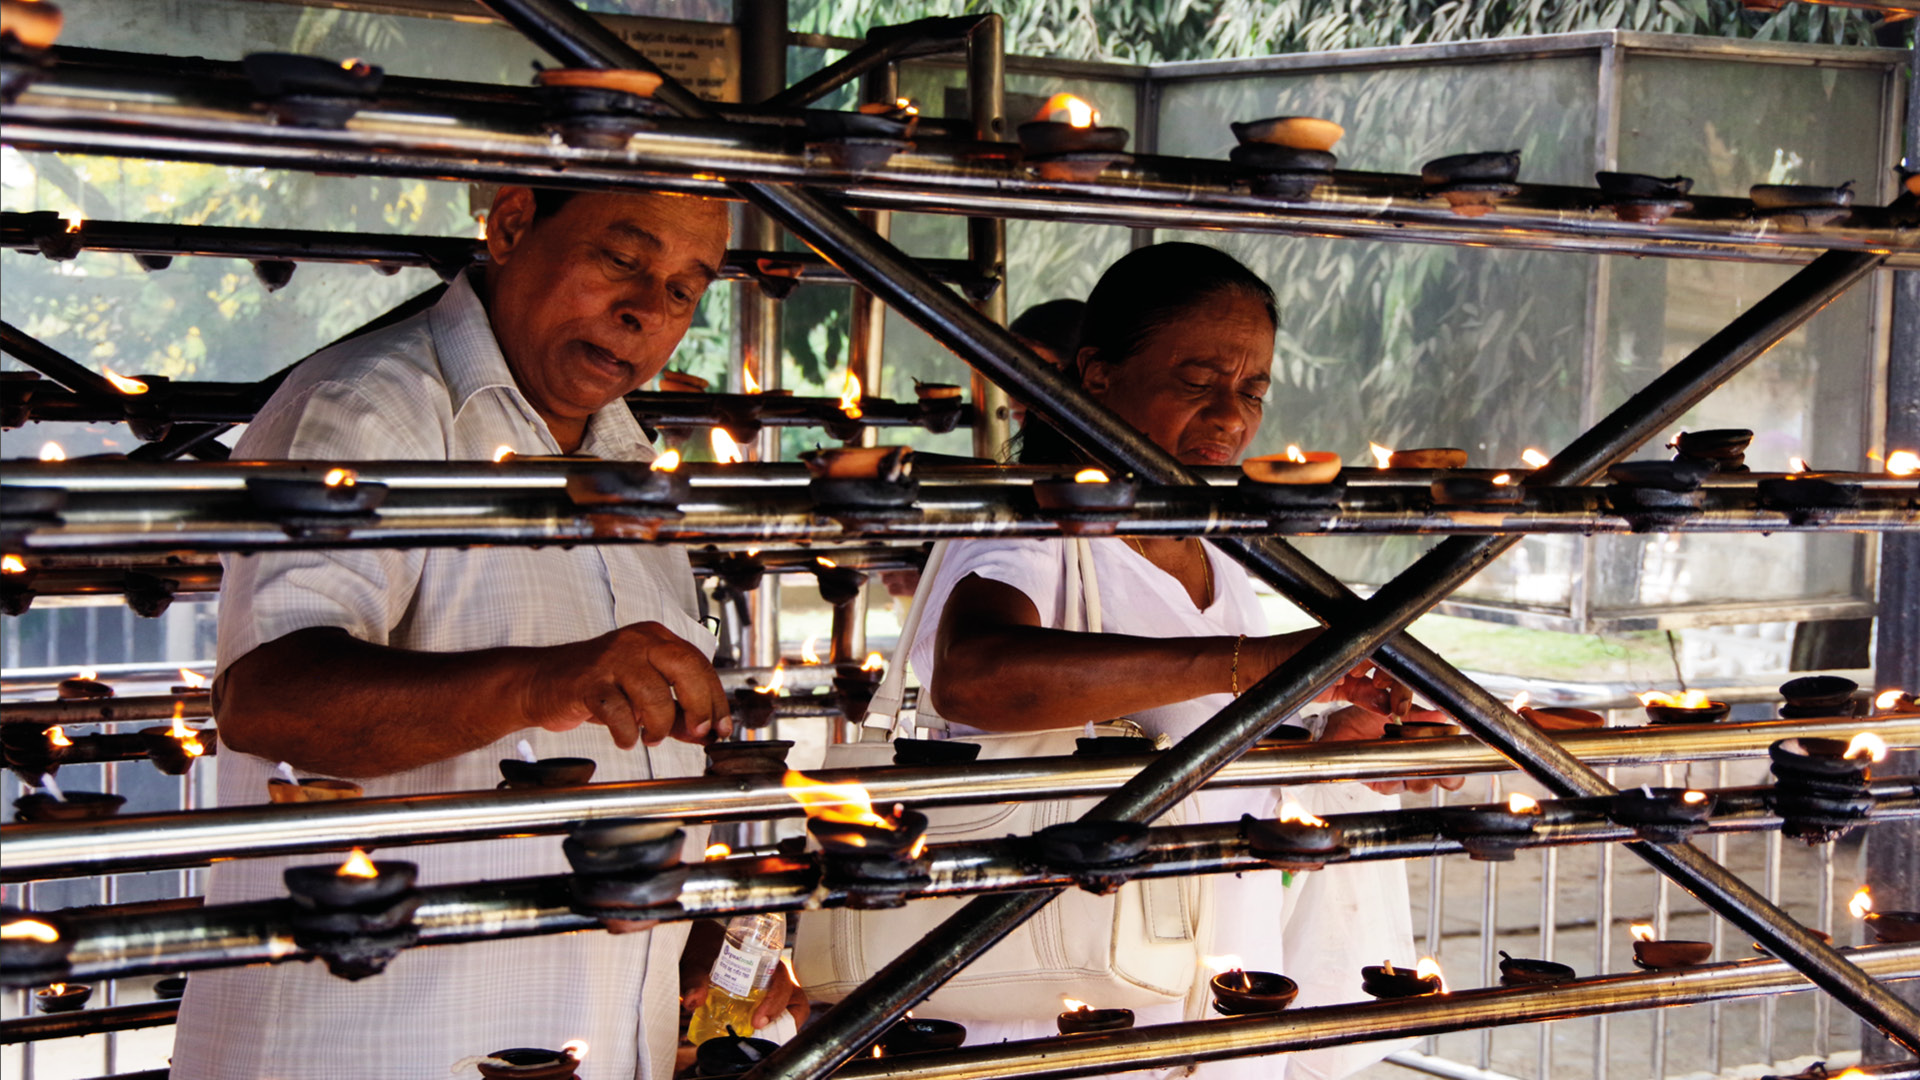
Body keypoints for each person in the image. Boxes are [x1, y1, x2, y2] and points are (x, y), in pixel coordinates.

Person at [172, 186, 797, 1080]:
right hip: (375, 1052)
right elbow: (267, 701)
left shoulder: (630, 466)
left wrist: (686, 937)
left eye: (682, 290)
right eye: (622, 260)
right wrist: (542, 683)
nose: (645, 312)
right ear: (510, 226)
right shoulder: (369, 409)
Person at [906, 242, 1459, 1080]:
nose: (1231, 417)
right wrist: (1250, 663)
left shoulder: (1213, 545)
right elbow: (974, 675)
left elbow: (1198, 737)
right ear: (1098, 376)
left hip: (1210, 983)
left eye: (1253, 391)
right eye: (1199, 381)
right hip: (1053, 999)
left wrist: (1324, 743)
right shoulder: (1029, 525)